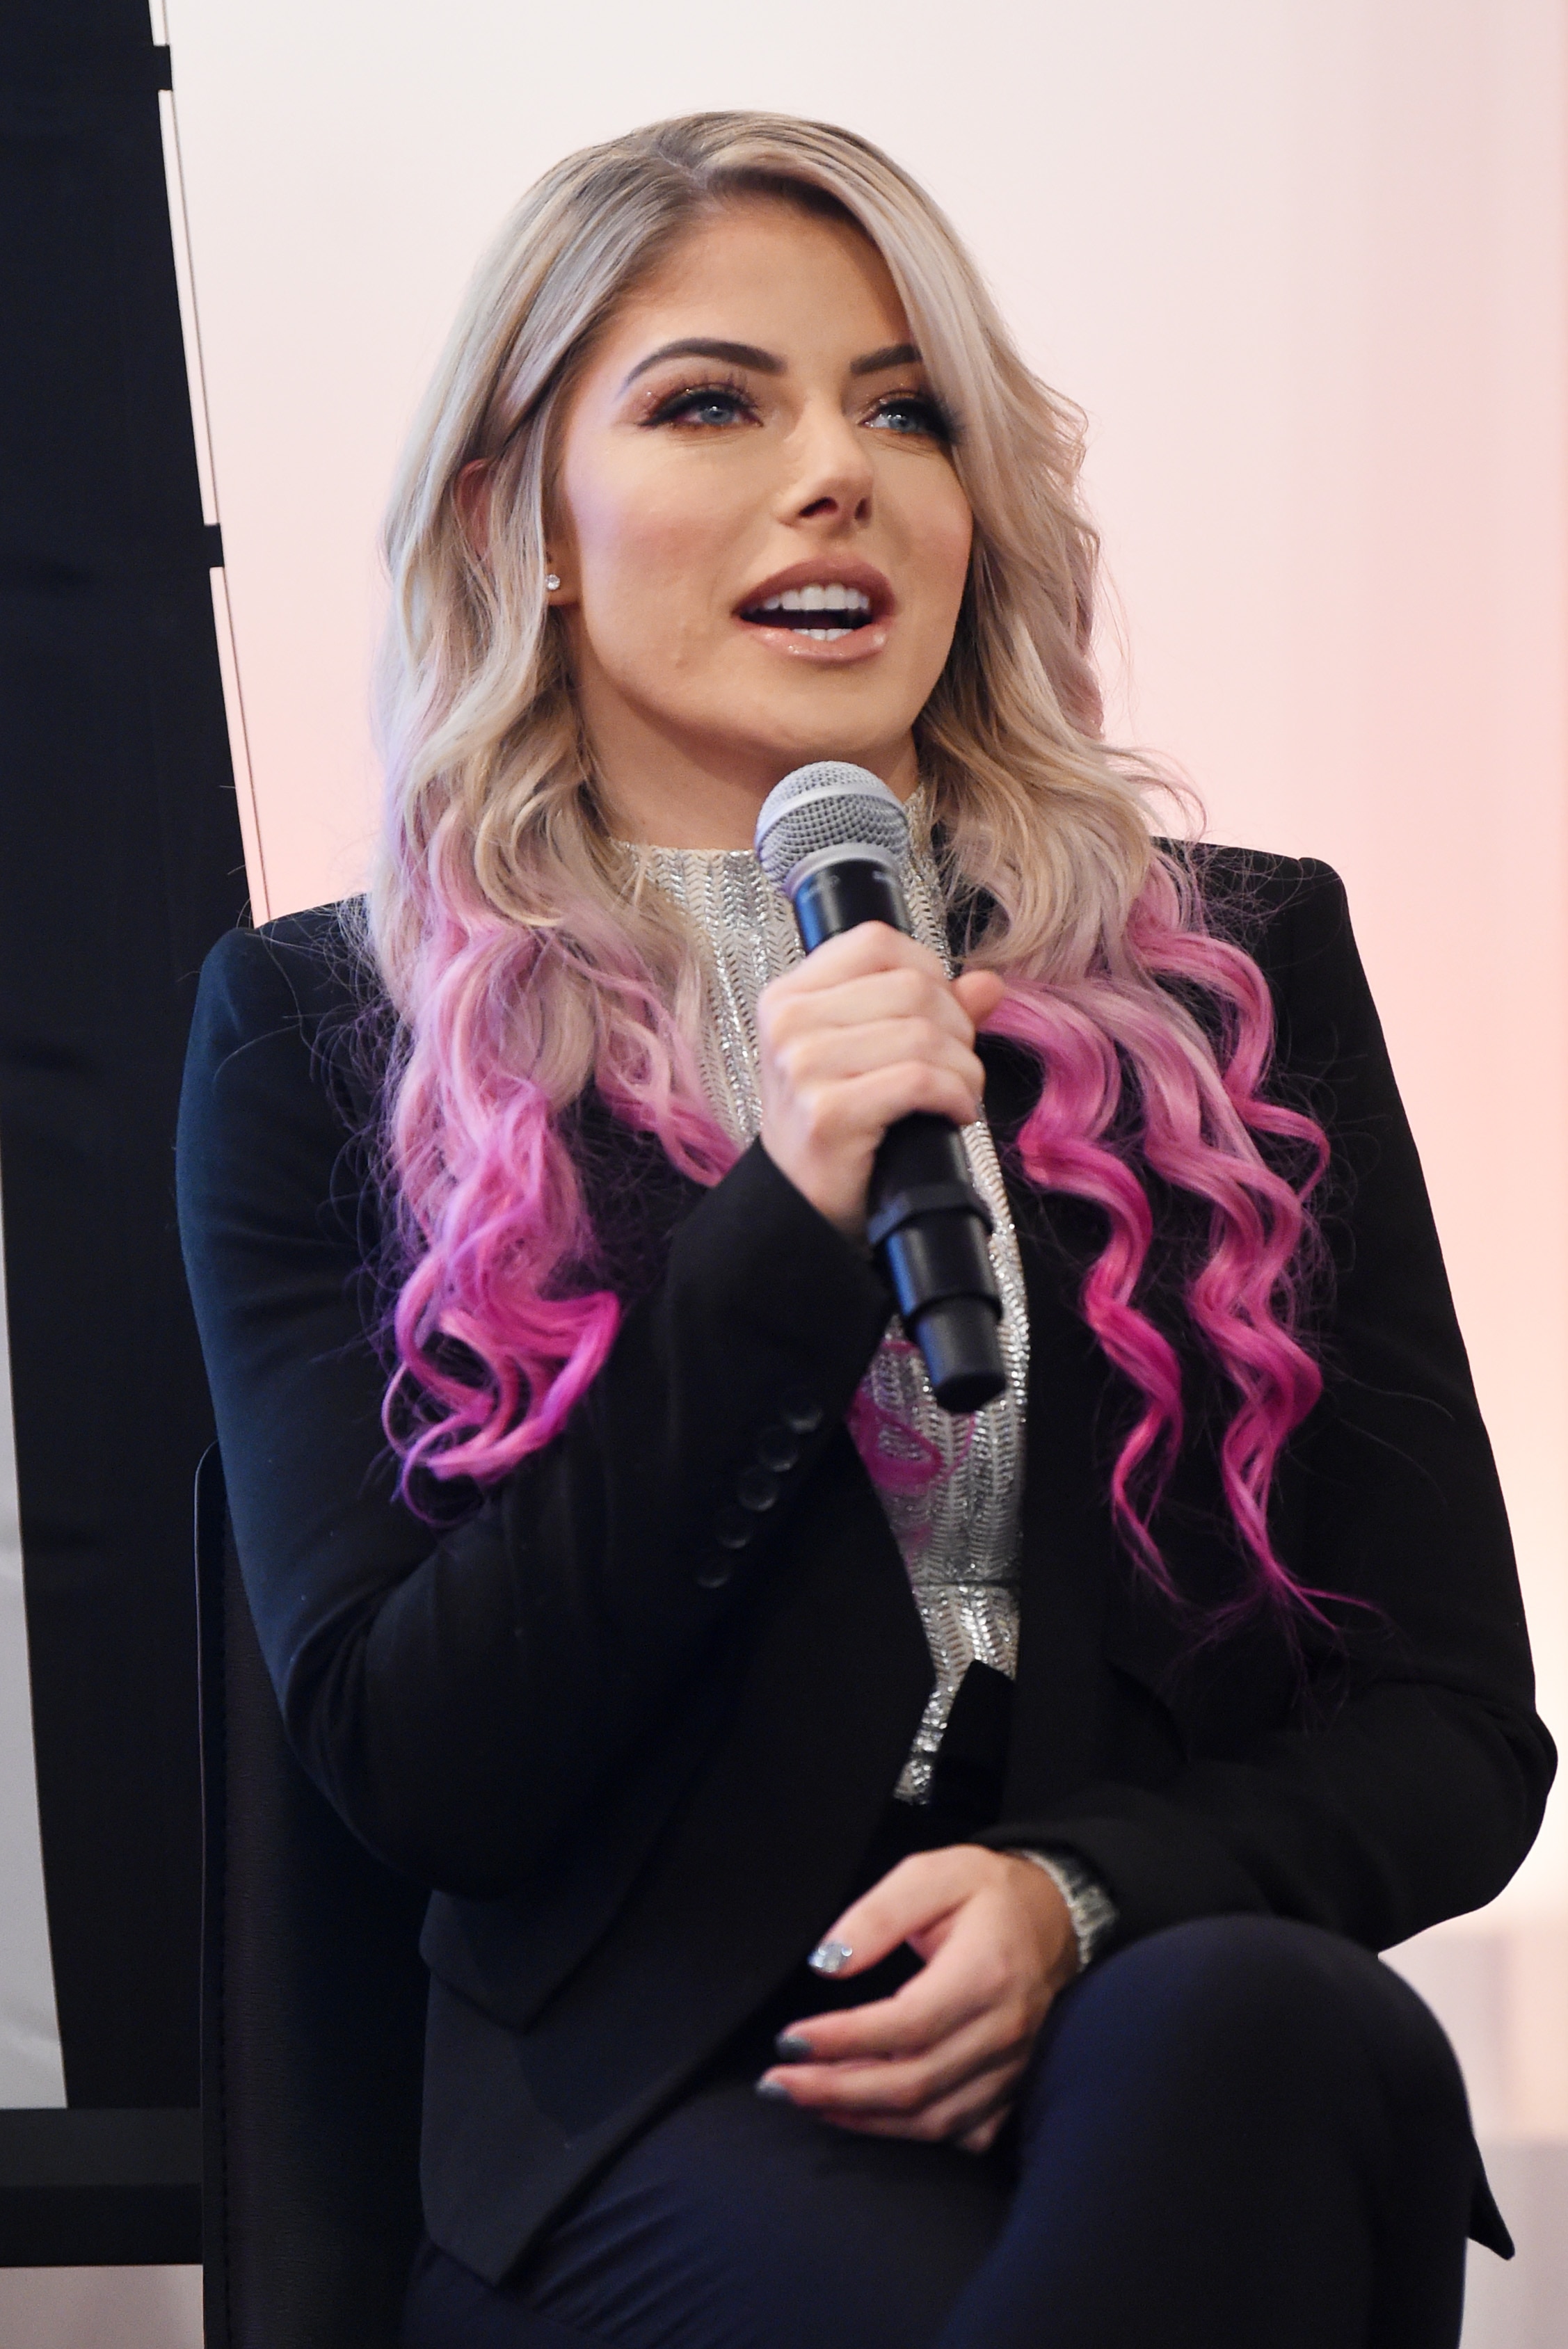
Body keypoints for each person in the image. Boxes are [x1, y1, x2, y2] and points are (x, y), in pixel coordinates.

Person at [176, 111, 1555, 2348]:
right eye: (717, 400)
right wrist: (785, 1223)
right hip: (652, 2117)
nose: (839, 472)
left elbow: (1455, 1722)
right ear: (511, 516)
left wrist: (1078, 1894)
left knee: (1287, 2041)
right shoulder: (324, 1030)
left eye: (903, 409)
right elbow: (416, 1759)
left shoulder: (1233, 976)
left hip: (1146, 2038)